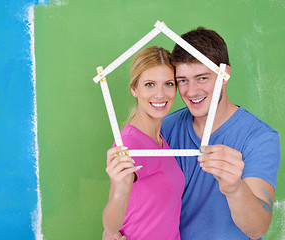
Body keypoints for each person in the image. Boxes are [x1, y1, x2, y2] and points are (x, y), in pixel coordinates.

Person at [104, 27, 280, 240]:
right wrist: (113, 232)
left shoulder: (259, 138)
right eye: (182, 80)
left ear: (225, 75)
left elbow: (258, 228)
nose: (192, 91)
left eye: (202, 78)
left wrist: (234, 188)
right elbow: (136, 200)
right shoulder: (164, 129)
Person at [102, 46, 184, 240]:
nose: (160, 94)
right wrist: (120, 193)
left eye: (168, 84)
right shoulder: (129, 144)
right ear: (134, 88)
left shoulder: (161, 141)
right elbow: (111, 226)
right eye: (149, 84)